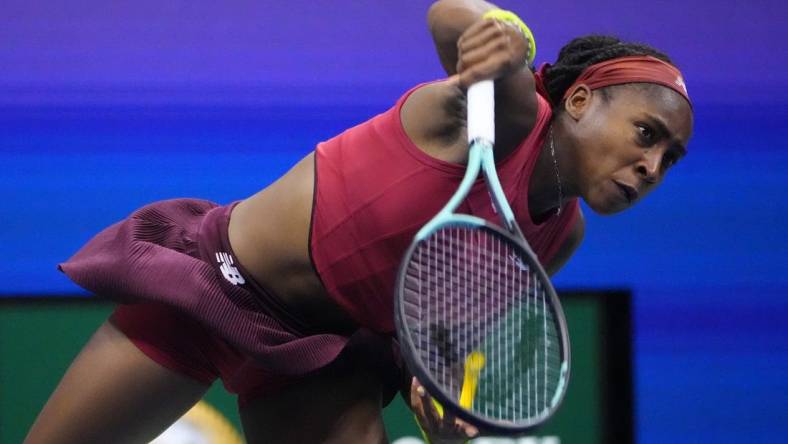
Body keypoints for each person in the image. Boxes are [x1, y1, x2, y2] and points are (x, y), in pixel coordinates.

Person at [25, 0, 693, 443]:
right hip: (217, 291)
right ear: (577, 100)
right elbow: (445, 19)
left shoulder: (559, 234)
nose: (651, 165)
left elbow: (434, 321)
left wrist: (437, 389)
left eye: (669, 157)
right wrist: (494, 31)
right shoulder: (507, 109)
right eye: (645, 132)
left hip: (321, 357)